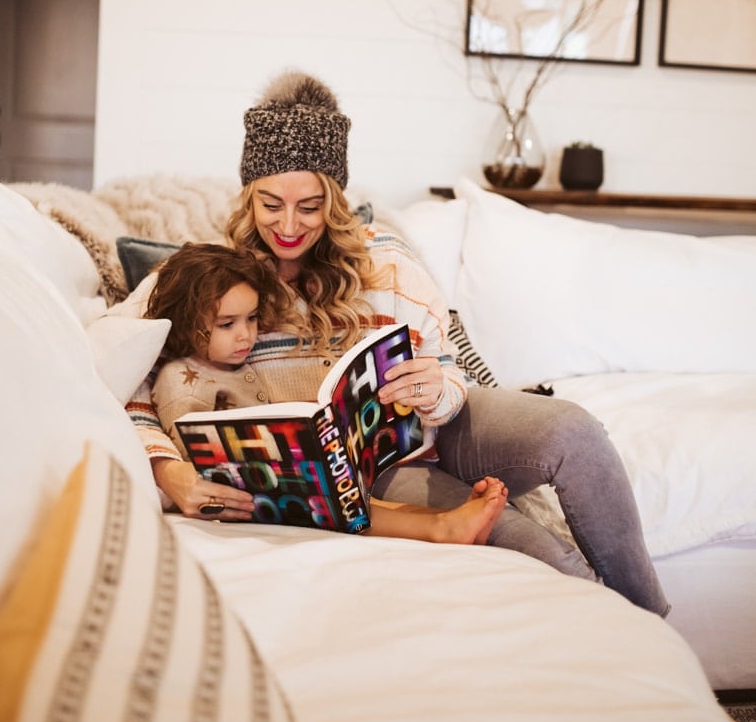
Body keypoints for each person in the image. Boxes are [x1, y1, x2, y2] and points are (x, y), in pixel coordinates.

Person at [126, 70, 669, 616]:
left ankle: (654, 618)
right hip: (384, 470)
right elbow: (134, 386)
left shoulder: (385, 260)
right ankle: (621, 635)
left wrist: (437, 387)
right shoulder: (210, 279)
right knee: (545, 556)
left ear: (334, 200)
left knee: (573, 430)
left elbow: (452, 371)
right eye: (271, 204)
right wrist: (169, 472)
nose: (288, 225)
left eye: (309, 207)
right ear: (248, 196)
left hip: (444, 427)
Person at [143, 239, 508, 545]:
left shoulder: (235, 361)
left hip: (279, 480)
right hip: (243, 497)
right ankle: (441, 528)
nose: (246, 335)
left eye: (252, 319)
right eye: (227, 324)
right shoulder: (180, 381)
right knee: (340, 505)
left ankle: (443, 520)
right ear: (188, 323)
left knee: (359, 499)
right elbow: (197, 456)